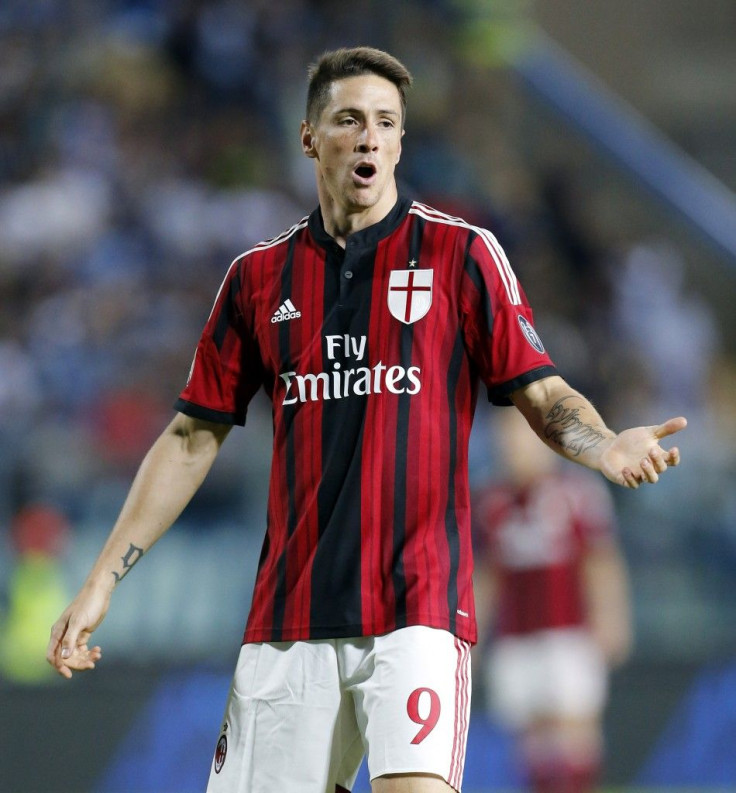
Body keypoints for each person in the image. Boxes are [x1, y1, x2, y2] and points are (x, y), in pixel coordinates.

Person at [46, 46, 686, 793]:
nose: (371, 137)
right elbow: (191, 436)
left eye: (387, 122)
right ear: (310, 136)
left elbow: (539, 391)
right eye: (350, 120)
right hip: (290, 616)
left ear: (402, 142)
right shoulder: (257, 279)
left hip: (418, 606)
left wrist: (605, 444)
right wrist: (101, 582)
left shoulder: (461, 254)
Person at [473, 409, 633, 793]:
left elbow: (601, 562)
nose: (513, 446)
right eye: (506, 437)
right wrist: (473, 636)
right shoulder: (490, 501)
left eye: (522, 436)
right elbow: (485, 576)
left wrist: (612, 619)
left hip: (570, 632)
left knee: (574, 732)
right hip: (516, 636)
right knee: (530, 740)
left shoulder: (578, 493)